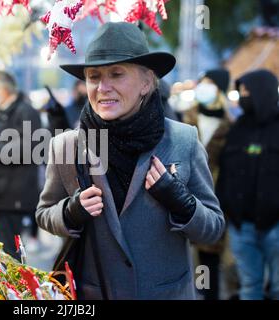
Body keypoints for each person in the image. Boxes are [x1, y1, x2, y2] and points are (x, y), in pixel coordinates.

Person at [36, 22, 225, 300]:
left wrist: (181, 202)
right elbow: (44, 214)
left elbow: (213, 230)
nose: (103, 87)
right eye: (93, 76)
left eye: (117, 74)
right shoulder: (65, 146)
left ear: (147, 82)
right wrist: (70, 211)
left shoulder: (183, 140)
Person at [216, 69, 279, 300]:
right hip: (242, 227)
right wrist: (228, 210)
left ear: (262, 92)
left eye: (246, 91)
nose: (242, 96)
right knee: (249, 287)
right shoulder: (236, 129)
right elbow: (225, 172)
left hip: (276, 227)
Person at [0, 71, 42, 259]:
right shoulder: (2, 113)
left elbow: (28, 147)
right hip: (0, 194)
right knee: (3, 253)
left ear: (3, 89)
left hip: (14, 195)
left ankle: (16, 288)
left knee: (11, 254)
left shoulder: (25, 111)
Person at [183, 68, 233, 300]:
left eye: (211, 83)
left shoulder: (230, 127)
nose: (204, 86)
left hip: (215, 200)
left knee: (208, 263)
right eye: (203, 82)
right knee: (181, 261)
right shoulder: (184, 119)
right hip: (180, 197)